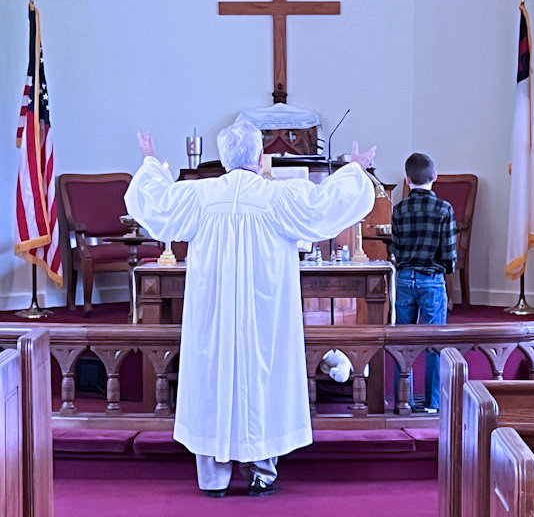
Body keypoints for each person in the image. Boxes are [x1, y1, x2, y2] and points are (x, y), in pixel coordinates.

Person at [124, 121, 376, 497]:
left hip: (213, 311)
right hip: (265, 311)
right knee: (263, 375)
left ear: (225, 159)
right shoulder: (279, 196)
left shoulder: (201, 195)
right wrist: (354, 169)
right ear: (260, 158)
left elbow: (155, 203)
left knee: (212, 377)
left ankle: (213, 478)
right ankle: (262, 472)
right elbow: (326, 206)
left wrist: (150, 162)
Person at [391, 152, 456, 413]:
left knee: (403, 344)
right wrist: (444, 271)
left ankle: (402, 401)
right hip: (432, 279)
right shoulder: (444, 209)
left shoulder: (399, 209)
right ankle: (432, 403)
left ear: (407, 179)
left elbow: (395, 249)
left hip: (405, 278)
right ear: (434, 176)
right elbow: (449, 254)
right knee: (434, 343)